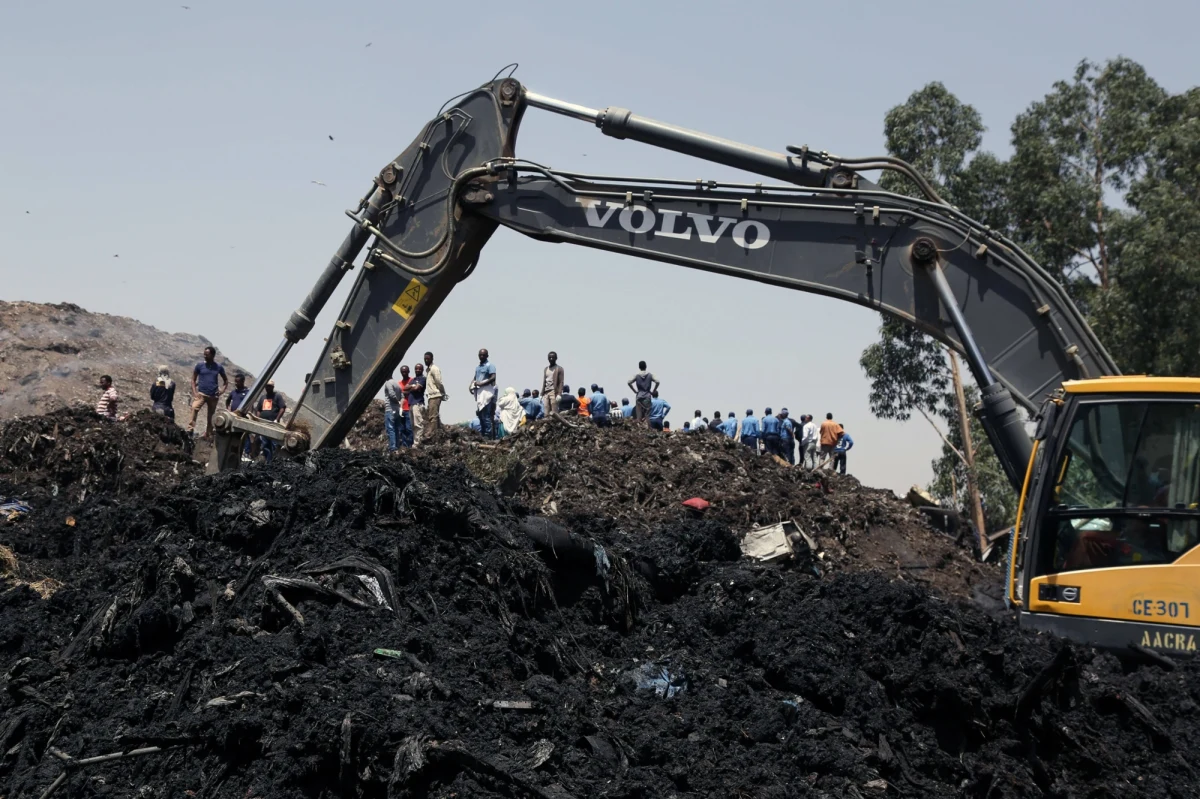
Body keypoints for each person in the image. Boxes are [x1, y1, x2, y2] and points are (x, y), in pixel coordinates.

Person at [188, 346, 228, 440]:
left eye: (207, 354)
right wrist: (195, 392)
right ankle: (190, 429)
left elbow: (226, 381)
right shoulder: (199, 365)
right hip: (201, 394)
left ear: (213, 355)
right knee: (194, 408)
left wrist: (222, 391)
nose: (205, 356)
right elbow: (193, 379)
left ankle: (208, 434)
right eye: (204, 354)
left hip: (213, 396)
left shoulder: (218, 367)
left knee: (211, 415)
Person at [253, 380, 287, 462]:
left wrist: (277, 419)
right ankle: (268, 462)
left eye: (269, 386)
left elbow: (282, 408)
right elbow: (258, 409)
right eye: (266, 386)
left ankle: (275, 462)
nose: (267, 388)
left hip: (273, 425)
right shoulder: (263, 397)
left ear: (273, 387)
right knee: (265, 444)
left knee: (274, 444)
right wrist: (258, 419)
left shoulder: (277, 396)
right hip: (264, 424)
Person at [470, 348, 498, 439]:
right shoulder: (478, 367)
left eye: (483, 355)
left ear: (487, 356)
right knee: (481, 416)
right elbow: (475, 378)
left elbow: (493, 378)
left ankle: (488, 436)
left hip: (487, 394)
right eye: (480, 355)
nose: (481, 356)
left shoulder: (490, 366)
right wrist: (471, 385)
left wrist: (481, 384)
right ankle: (482, 435)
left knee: (486, 416)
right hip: (479, 394)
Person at [423, 352, 446, 440]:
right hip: (431, 395)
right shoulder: (428, 370)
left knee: (433, 416)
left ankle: (432, 434)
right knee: (433, 414)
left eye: (428, 358)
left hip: (435, 395)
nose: (426, 360)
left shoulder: (434, 369)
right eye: (425, 358)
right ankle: (437, 432)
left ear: (432, 359)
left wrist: (443, 392)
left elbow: (439, 382)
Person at [383, 370, 404, 452]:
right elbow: (402, 396)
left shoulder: (388, 383)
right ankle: (397, 446)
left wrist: (396, 401)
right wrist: (400, 404)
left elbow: (392, 395)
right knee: (396, 428)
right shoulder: (397, 384)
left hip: (390, 409)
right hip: (397, 410)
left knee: (390, 429)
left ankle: (392, 447)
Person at [408, 364, 428, 446]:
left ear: (422, 370)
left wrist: (411, 388)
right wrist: (412, 386)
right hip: (411, 404)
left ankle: (418, 443)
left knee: (418, 425)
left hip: (418, 403)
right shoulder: (413, 380)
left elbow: (417, 388)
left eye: (419, 369)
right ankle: (415, 443)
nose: (417, 370)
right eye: (416, 369)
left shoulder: (423, 379)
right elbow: (404, 389)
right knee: (413, 425)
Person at [542, 352, 565, 418]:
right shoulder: (546, 369)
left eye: (553, 357)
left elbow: (561, 382)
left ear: (556, 358)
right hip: (546, 392)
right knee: (546, 411)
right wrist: (541, 393)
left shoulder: (559, 369)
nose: (551, 359)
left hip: (554, 392)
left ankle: (555, 426)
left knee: (554, 411)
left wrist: (559, 394)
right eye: (550, 357)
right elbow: (544, 381)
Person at [397, 365, 414, 447]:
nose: (404, 373)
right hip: (401, 409)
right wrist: (406, 391)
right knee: (402, 429)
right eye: (403, 371)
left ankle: (410, 444)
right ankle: (404, 445)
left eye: (405, 371)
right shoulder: (399, 383)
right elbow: (398, 395)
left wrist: (403, 392)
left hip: (409, 408)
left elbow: (412, 392)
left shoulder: (412, 380)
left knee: (409, 428)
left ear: (408, 371)